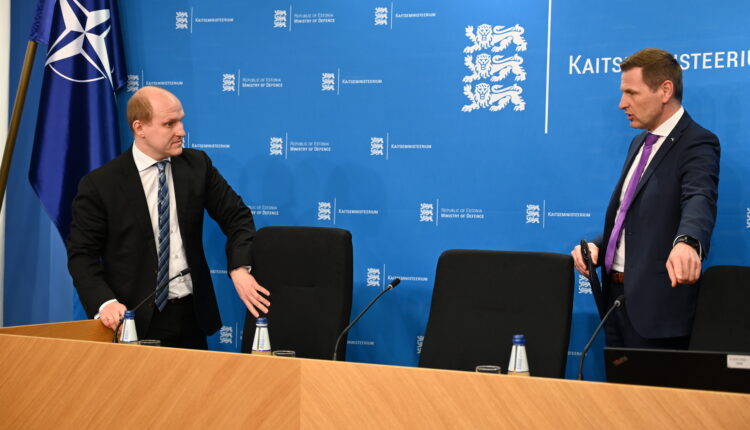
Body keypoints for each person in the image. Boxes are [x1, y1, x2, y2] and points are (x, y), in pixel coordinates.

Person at [67, 86, 271, 349]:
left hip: (191, 316)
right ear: (140, 128)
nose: (181, 131)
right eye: (169, 124)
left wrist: (239, 267)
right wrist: (105, 303)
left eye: (181, 121)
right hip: (132, 320)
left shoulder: (197, 166)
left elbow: (237, 216)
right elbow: (82, 256)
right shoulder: (101, 184)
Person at [571, 48, 720, 349]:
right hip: (615, 303)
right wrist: (598, 245)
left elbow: (698, 196)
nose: (622, 103)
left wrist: (688, 241)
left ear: (665, 90)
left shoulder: (697, 142)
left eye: (631, 93)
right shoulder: (639, 142)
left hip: (657, 312)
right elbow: (633, 218)